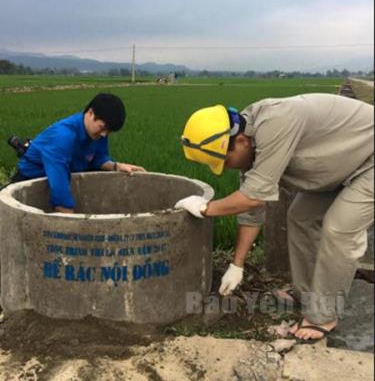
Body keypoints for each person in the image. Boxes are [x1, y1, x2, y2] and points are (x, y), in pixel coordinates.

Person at [175, 93, 374, 343]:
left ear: (240, 141)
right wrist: (237, 264)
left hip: (369, 161)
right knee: (300, 216)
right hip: (345, 164)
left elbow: (253, 197)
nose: (225, 168)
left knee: (339, 229)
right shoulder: (251, 141)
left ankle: (324, 315)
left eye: (225, 161)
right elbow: (251, 209)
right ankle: (307, 293)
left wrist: (206, 208)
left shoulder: (276, 121)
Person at [8, 92, 145, 213]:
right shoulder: (63, 137)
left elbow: (98, 158)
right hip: (32, 182)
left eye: (109, 131)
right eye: (103, 128)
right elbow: (60, 190)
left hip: (69, 176)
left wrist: (117, 166)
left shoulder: (98, 134)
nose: (104, 134)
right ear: (90, 113)